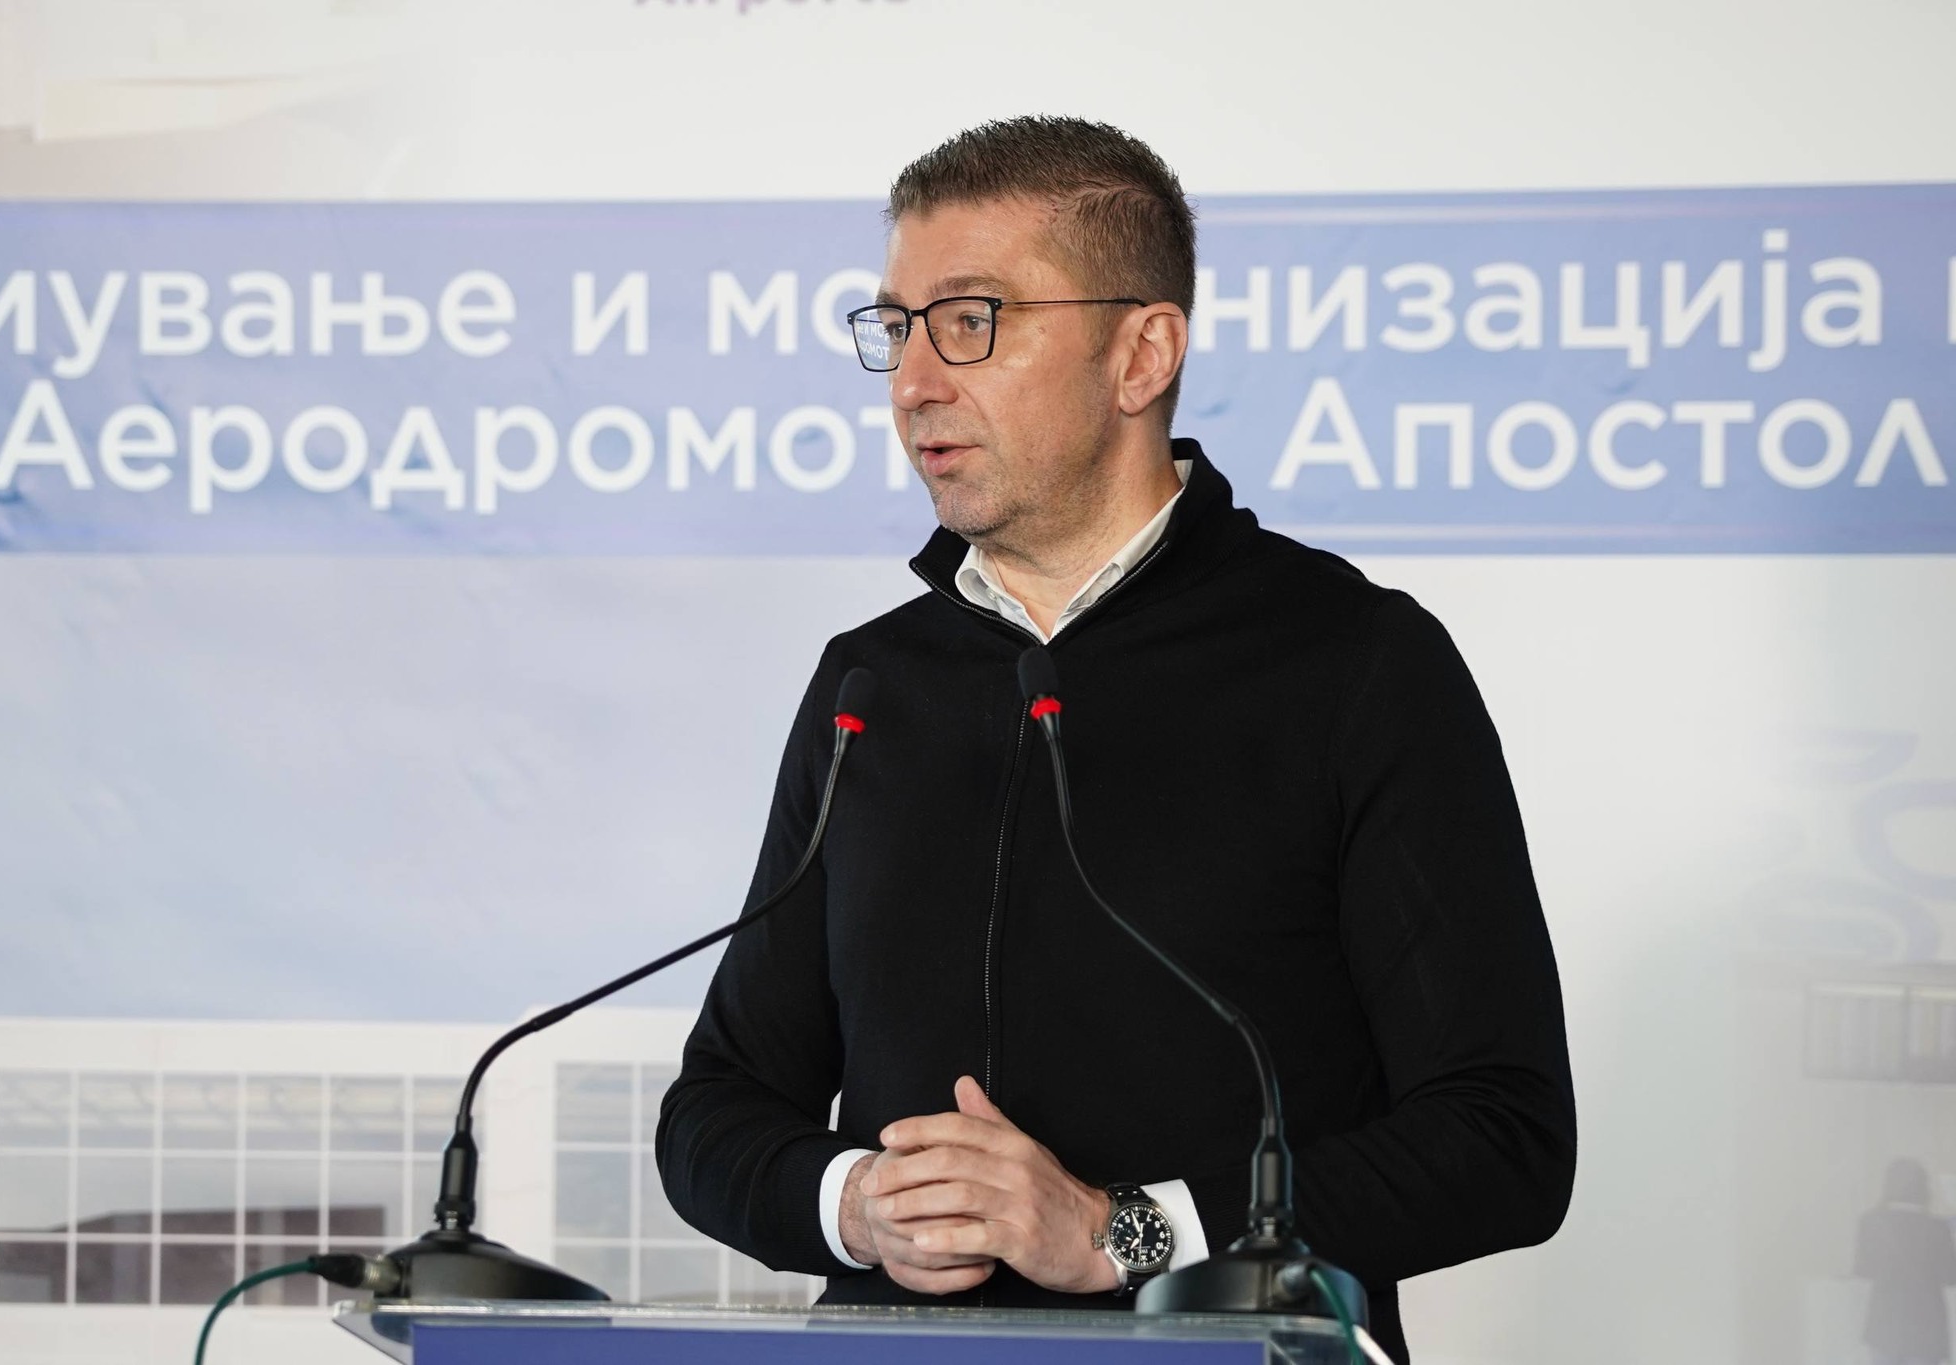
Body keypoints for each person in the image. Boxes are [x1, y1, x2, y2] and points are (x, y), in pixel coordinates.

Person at [656, 116, 1575, 1365]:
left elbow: (1501, 1138)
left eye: (970, 320)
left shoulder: (1356, 664)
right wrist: (855, 1206)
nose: (914, 381)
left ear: (1140, 354)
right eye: (897, 327)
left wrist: (1124, 1233)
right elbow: (716, 1111)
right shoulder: (870, 684)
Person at [1854, 1157, 1956, 1365]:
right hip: (1927, 1328)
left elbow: (1863, 1270)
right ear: (1923, 1188)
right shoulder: (1937, 1228)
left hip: (1884, 1325)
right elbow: (1950, 1276)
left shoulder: (1870, 1221)